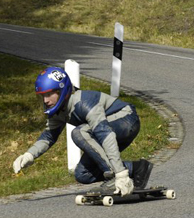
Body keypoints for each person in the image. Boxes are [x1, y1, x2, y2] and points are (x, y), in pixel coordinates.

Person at [12, 66, 152, 196]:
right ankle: (138, 168)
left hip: (127, 120)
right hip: (108, 129)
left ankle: (115, 175)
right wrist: (29, 155)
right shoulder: (58, 110)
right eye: (42, 96)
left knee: (79, 132)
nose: (45, 100)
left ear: (61, 91)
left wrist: (120, 174)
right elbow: (49, 136)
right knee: (83, 174)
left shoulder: (84, 103)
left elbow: (105, 134)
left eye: (48, 94)